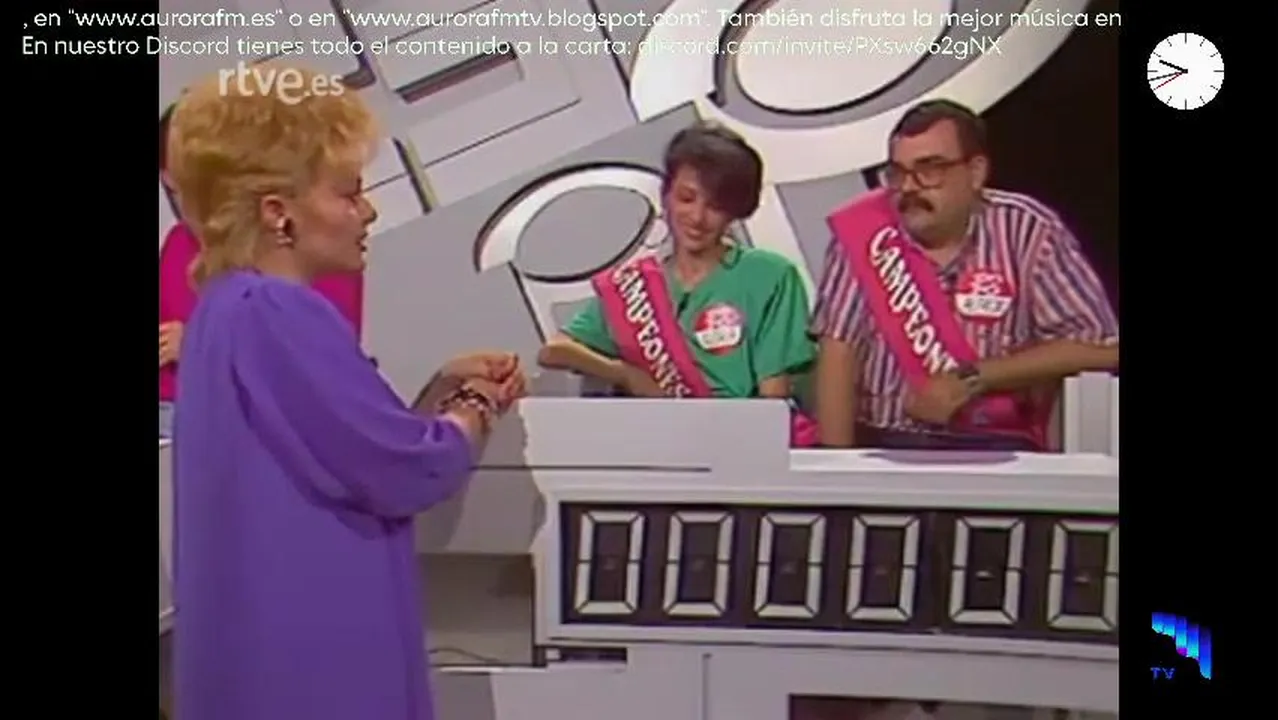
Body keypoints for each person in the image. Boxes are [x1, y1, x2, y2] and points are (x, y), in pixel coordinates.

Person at [166, 64, 527, 720]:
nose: (368, 211)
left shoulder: (222, 310)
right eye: (348, 193)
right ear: (278, 213)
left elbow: (336, 446)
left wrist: (435, 393)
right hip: (316, 659)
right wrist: (475, 406)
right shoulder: (278, 312)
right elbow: (406, 469)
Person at [812, 99, 1119, 453]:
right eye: (897, 172)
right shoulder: (866, 233)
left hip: (1003, 445)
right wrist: (836, 470)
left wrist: (976, 377)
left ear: (975, 172)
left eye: (929, 169)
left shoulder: (1028, 230)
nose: (908, 187)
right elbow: (839, 351)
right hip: (885, 444)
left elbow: (1102, 348)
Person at [537, 123, 818, 445]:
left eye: (715, 206)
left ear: (735, 212)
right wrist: (624, 373)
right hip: (658, 447)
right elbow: (554, 351)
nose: (697, 217)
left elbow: (772, 402)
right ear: (666, 196)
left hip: (741, 444)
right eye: (687, 198)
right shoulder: (633, 286)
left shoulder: (770, 276)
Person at [157, 103, 365, 437]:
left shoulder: (300, 234)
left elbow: (324, 356)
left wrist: (199, 347)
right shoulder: (178, 242)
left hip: (243, 419)